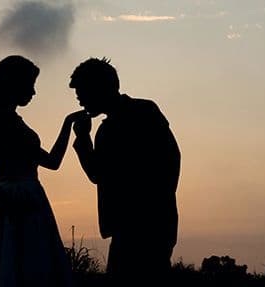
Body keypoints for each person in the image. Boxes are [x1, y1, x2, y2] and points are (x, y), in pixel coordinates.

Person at [0, 55, 83, 287]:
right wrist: (6, 199)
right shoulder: (5, 123)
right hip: (19, 198)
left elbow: (52, 162)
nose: (33, 92)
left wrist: (67, 124)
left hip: (29, 197)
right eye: (30, 85)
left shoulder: (13, 122)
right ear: (15, 85)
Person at [69, 58, 180, 284]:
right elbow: (98, 174)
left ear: (99, 89)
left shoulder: (143, 112)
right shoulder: (132, 116)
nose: (79, 100)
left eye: (82, 92)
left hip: (146, 223)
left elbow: (170, 159)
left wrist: (82, 139)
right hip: (138, 223)